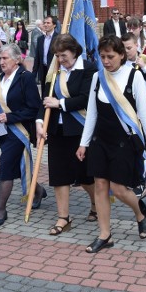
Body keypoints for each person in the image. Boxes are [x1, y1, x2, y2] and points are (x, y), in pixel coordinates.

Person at [76, 36, 146, 253]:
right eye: (102, 56)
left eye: (110, 56)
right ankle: (105, 235)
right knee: (100, 186)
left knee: (120, 189)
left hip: (124, 140)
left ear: (122, 55)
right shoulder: (97, 77)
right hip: (100, 140)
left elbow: (144, 113)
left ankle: (140, 213)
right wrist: (83, 143)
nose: (105, 61)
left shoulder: (135, 76)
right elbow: (91, 114)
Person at [36, 34, 98, 236]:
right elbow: (45, 99)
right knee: (59, 174)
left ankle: (97, 205)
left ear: (74, 51)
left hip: (80, 130)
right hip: (57, 130)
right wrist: (39, 122)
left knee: (85, 175)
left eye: (63, 55)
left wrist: (60, 104)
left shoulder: (88, 68)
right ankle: (64, 217)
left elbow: (86, 98)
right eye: (57, 55)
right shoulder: (54, 70)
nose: (60, 59)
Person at [0, 44, 47, 226]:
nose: (1, 61)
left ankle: (0, 210)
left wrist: (9, 117)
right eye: (0, 58)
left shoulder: (25, 78)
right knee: (18, 165)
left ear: (17, 59)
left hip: (20, 132)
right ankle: (38, 190)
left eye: (5, 58)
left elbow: (34, 108)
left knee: (6, 168)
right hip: (2, 133)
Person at [33, 15, 58, 87]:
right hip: (42, 69)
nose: (45, 25)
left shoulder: (58, 38)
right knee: (44, 92)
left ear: (54, 25)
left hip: (53, 70)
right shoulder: (40, 39)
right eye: (44, 23)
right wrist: (34, 73)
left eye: (48, 23)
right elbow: (37, 56)